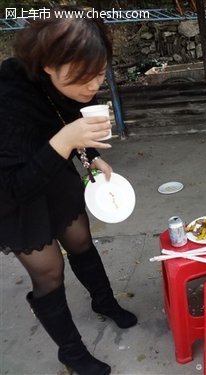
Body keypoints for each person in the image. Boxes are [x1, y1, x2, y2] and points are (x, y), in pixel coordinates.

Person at [0, 12, 136, 375]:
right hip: (12, 192)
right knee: (49, 272)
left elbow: (68, 115)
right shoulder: (7, 99)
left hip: (52, 167)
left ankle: (105, 302)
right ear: (47, 65)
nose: (93, 85)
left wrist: (90, 157)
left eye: (100, 72)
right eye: (83, 76)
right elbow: (16, 187)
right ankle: (72, 353)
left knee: (79, 240)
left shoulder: (66, 83)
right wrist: (65, 141)